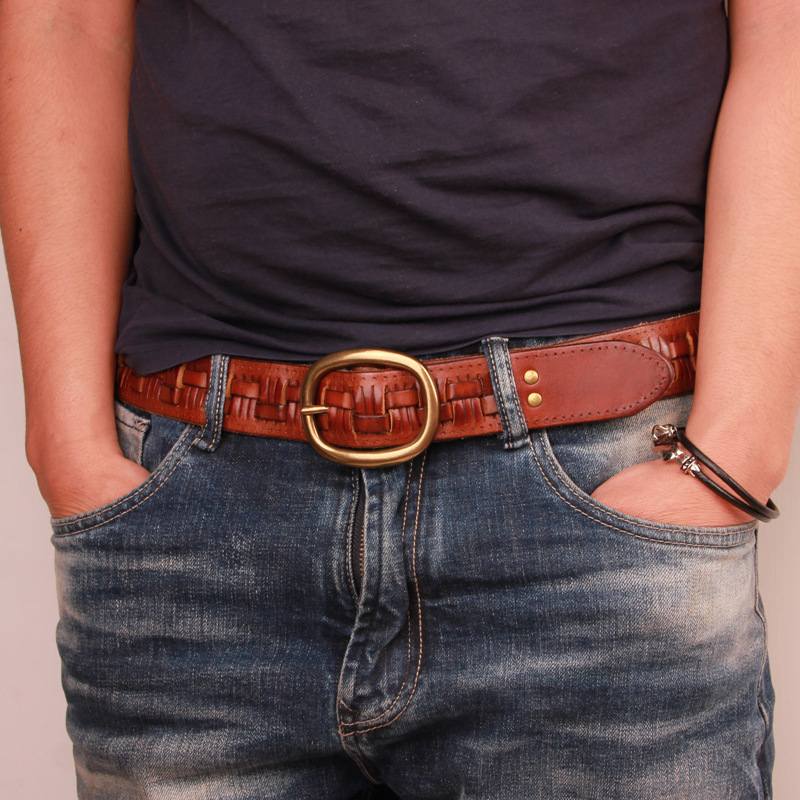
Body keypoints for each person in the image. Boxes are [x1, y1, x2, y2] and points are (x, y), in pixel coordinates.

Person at [1, 0, 798, 797]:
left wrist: (734, 448)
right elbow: (63, 20)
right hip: (193, 528)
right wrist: (68, 445)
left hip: (594, 503)